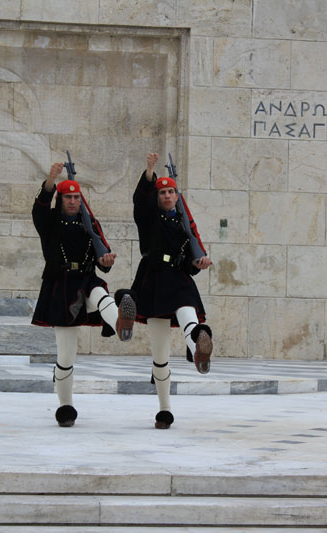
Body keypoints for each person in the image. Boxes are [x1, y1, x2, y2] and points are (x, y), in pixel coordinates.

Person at [32, 161, 136, 427]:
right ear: (61, 198)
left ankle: (120, 323)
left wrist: (108, 261)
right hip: (60, 286)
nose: (73, 201)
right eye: (68, 197)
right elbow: (40, 207)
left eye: (77, 197)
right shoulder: (49, 222)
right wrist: (51, 179)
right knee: (66, 357)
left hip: (87, 279)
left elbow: (103, 255)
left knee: (100, 294)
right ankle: (66, 407)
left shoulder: (90, 222)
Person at [131, 152, 213, 429]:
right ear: (158, 196)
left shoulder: (183, 224)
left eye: (170, 192)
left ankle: (200, 344)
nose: (166, 196)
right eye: (162, 192)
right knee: (160, 352)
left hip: (178, 278)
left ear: (177, 196)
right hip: (153, 280)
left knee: (191, 317)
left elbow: (191, 258)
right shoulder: (148, 217)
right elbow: (140, 200)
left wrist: (199, 262)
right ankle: (164, 410)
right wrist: (149, 171)